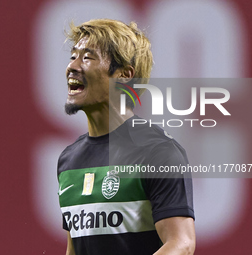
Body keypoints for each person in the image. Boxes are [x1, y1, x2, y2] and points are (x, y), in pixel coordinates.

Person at [57, 19, 195, 255]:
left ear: (123, 75)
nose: (73, 66)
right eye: (73, 56)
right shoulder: (68, 160)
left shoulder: (157, 151)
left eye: (87, 57)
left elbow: (181, 244)